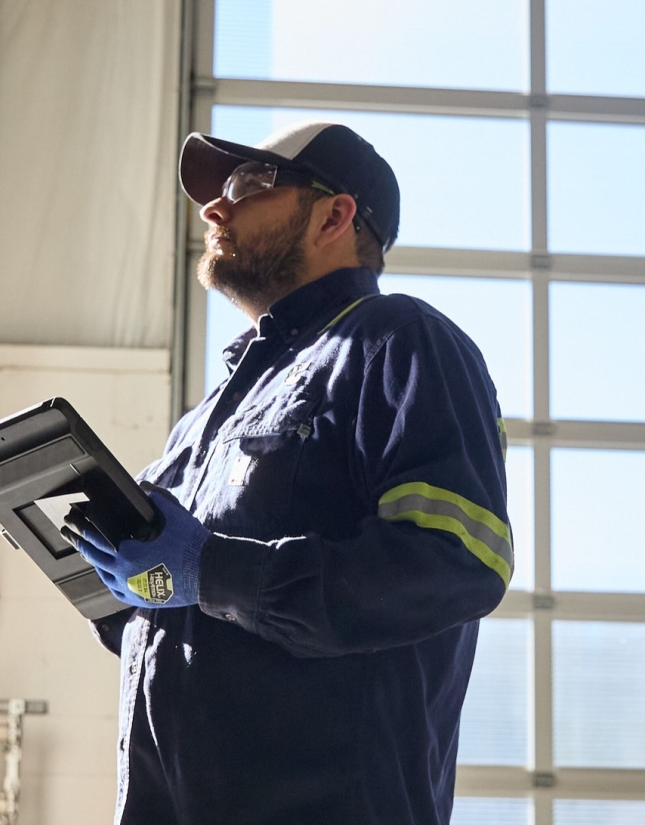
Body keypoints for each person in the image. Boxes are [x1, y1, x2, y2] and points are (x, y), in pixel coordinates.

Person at [65, 121, 512, 825]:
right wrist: (109, 577)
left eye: (248, 185)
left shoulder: (398, 344)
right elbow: (172, 614)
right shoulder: (206, 420)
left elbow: (457, 562)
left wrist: (214, 571)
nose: (215, 209)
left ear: (335, 215)